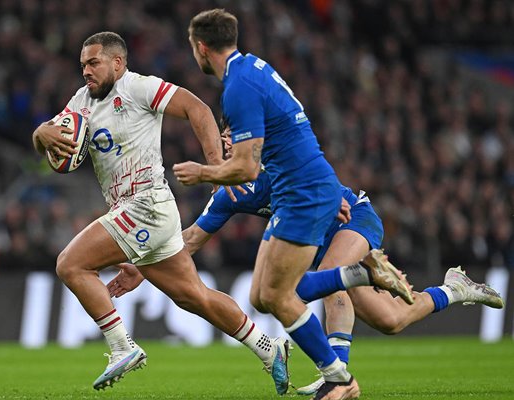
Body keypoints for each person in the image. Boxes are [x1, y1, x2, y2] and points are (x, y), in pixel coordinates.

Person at [109, 126, 504, 396]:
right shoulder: (228, 194)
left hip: (355, 218)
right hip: (322, 241)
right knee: (391, 320)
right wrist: (142, 269)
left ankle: (336, 378)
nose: (225, 148)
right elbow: (192, 239)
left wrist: (335, 197)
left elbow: (320, 172)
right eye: (221, 144)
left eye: (231, 140)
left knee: (330, 284)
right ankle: (455, 289)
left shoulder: (277, 164)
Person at [31, 31, 295, 393]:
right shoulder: (82, 101)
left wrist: (217, 168)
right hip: (137, 212)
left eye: (93, 63)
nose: (86, 71)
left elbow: (197, 109)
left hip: (146, 204)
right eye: (82, 65)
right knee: (194, 296)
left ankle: (121, 346)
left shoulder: (138, 88)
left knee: (70, 264)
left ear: (118, 63)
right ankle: (269, 347)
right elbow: (52, 137)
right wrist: (40, 134)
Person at [172, 9, 414, 400]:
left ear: (201, 47)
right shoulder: (253, 69)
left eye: (192, 48)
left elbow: (247, 167)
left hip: (302, 191)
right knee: (262, 297)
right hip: (301, 188)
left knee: (281, 296)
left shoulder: (239, 87)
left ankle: (340, 376)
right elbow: (289, 133)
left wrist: (203, 172)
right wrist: (144, 264)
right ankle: (359, 281)